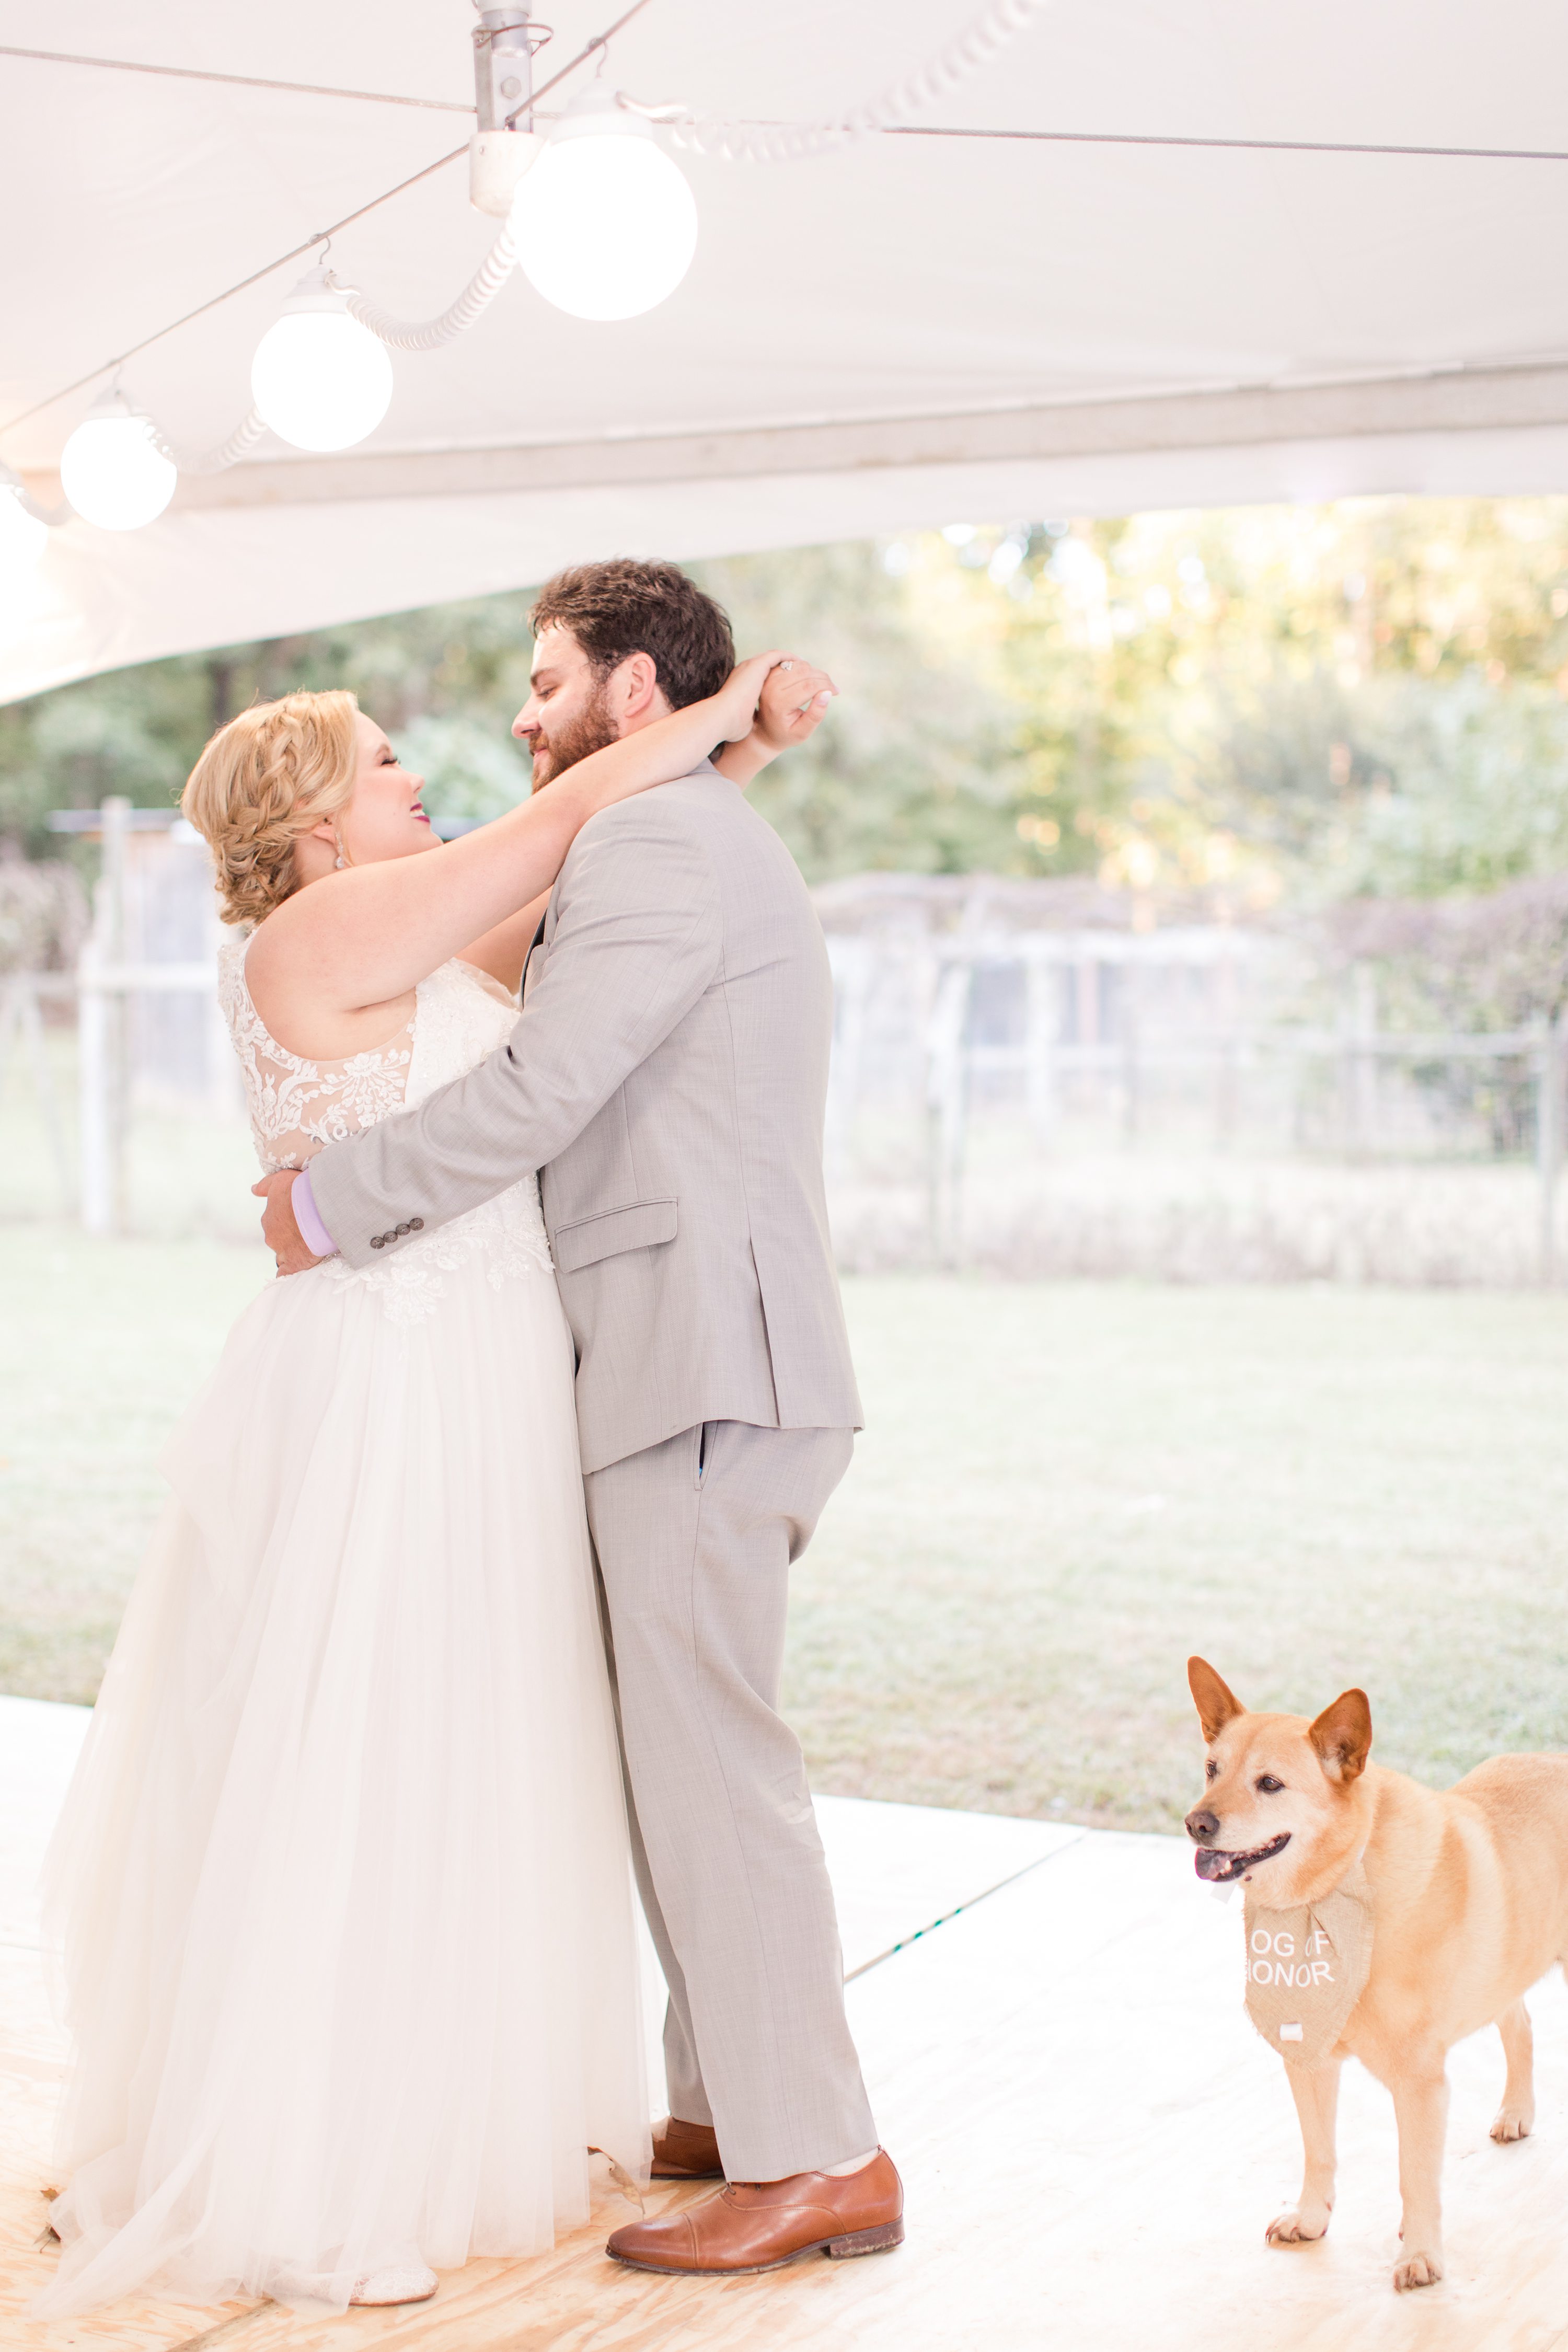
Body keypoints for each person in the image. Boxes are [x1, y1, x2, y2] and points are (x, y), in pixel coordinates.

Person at [35, 637, 826, 2320]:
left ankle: (440, 2114)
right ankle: (324, 2174)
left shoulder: (414, 929)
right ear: (314, 823)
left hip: (482, 1374)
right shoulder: (320, 928)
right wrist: (723, 704)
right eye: (386, 763)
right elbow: (565, 822)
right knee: (369, 1752)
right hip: (392, 1383)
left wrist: (734, 767)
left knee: (473, 1744)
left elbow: (596, 888)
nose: (422, 775)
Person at [259, 559, 904, 2278]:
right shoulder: (669, 827)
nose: (520, 713)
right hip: (689, 1351)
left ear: (630, 694)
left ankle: (819, 2155)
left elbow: (548, 1089)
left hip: (704, 1355)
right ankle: (728, 2103)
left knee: (711, 1760)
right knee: (676, 1752)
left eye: (547, 681)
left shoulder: (656, 841)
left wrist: (331, 1203)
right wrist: (747, 734)